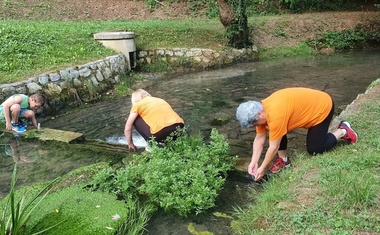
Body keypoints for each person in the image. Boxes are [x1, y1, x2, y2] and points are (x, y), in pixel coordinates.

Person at [236, 87, 358, 181]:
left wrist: (262, 169)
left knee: (315, 148)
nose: (256, 126)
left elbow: (273, 148)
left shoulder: (275, 115)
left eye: (255, 124)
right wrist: (254, 162)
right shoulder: (261, 111)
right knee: (276, 131)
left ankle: (343, 130)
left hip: (322, 107)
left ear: (259, 114)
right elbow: (259, 139)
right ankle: (284, 160)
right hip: (311, 104)